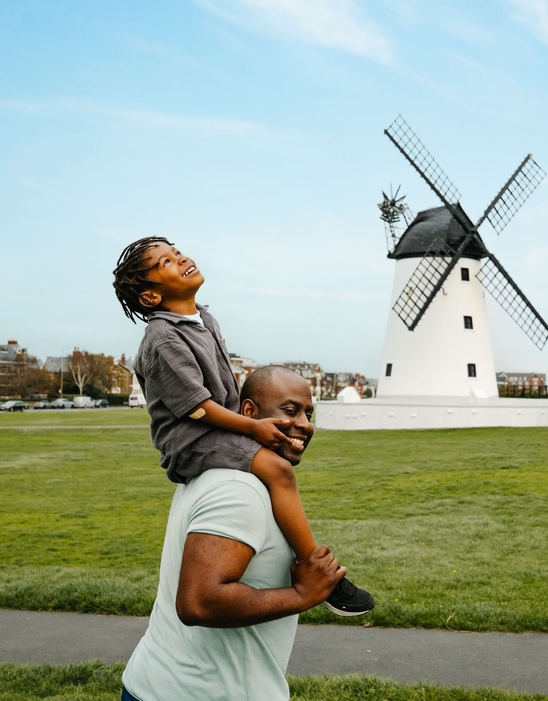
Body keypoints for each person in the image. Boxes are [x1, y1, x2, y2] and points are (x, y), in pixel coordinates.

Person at [112, 236, 373, 617]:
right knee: (278, 469)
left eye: (177, 252)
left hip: (217, 429)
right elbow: (197, 409)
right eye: (166, 263)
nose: (181, 258)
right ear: (151, 297)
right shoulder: (163, 338)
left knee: (275, 459)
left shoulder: (205, 318)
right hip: (192, 439)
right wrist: (252, 429)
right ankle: (318, 569)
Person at [122, 365, 343, 701]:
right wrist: (302, 595)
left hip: (164, 687)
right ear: (250, 412)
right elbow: (199, 601)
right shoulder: (240, 489)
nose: (304, 424)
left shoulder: (217, 469)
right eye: (290, 410)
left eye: (308, 413)